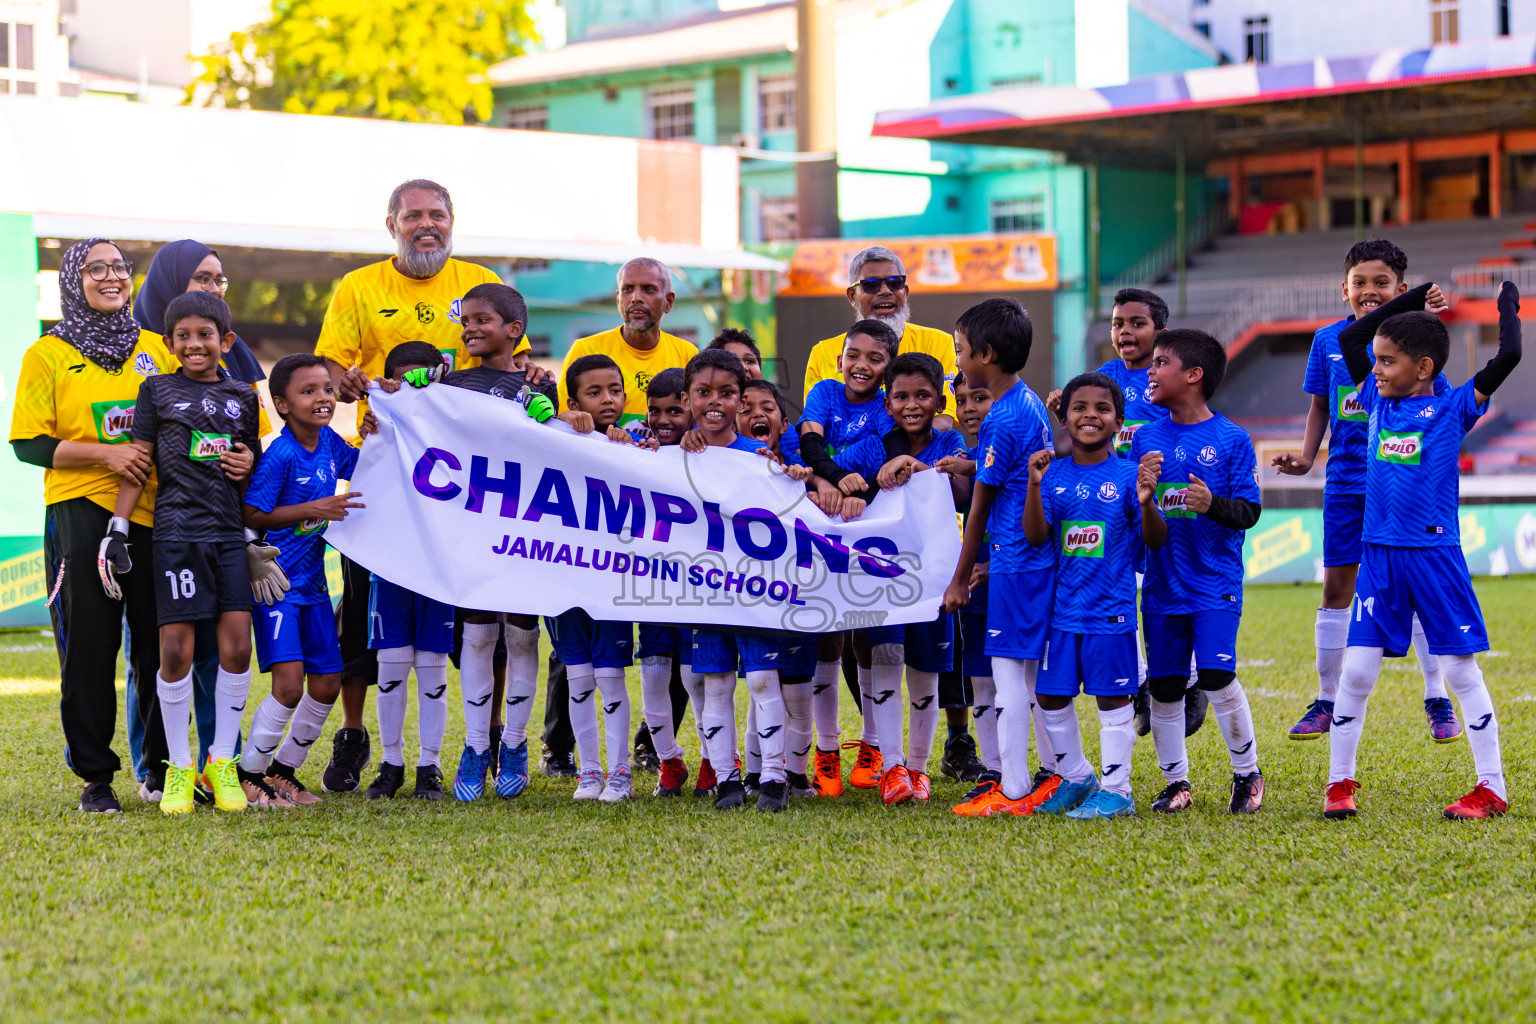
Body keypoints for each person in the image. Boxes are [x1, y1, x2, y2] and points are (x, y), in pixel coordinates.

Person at [314, 178, 508, 793]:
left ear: (454, 220)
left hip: (465, 483)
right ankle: (354, 735)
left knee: (484, 610)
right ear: (391, 224)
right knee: (362, 611)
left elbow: (510, 364)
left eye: (438, 214)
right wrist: (353, 387)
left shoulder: (478, 280)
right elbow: (330, 369)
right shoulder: (359, 286)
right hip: (384, 473)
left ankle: (492, 737)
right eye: (413, 216)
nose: (427, 225)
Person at [1325, 282, 1521, 820]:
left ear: (1425, 367)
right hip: (1379, 559)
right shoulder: (1375, 402)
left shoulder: (1456, 406)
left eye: (1389, 362)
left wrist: (1507, 304)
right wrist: (1409, 300)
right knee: (1358, 672)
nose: (1377, 369)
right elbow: (1354, 338)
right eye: (1378, 362)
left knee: (1460, 672)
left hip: (1435, 558)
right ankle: (1339, 783)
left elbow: (1511, 354)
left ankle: (1493, 788)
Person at [10, 238, 179, 813]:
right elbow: (28, 444)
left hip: (157, 514)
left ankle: (160, 772)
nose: (111, 277)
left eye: (119, 267)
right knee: (88, 648)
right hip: (80, 513)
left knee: (161, 646)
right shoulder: (48, 354)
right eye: (95, 268)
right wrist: (105, 456)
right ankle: (96, 778)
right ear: (72, 280)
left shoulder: (160, 348)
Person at [1272, 240, 1460, 744]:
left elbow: (1439, 410)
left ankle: (1436, 695)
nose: (1369, 291)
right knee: (1337, 589)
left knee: (1417, 592)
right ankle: (1326, 700)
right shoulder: (1327, 341)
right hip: (1346, 486)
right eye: (1360, 282)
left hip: (1400, 489)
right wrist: (1309, 457)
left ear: (1401, 290)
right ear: (1345, 289)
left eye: (1381, 283)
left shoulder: (1419, 340)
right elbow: (1319, 406)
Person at [106, 291, 267, 815]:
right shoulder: (155, 390)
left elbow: (252, 469)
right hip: (174, 536)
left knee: (237, 649)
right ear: (170, 343)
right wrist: (117, 529)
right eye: (183, 336)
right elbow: (139, 463)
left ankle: (220, 762)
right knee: (175, 651)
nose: (194, 344)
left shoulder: (244, 395)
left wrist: (246, 480)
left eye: (205, 335)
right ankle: (177, 766)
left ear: (227, 341)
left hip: (225, 537)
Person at [547, 257, 697, 776]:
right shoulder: (587, 351)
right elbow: (558, 418)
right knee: (577, 631)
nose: (637, 297)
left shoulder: (688, 355)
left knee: (666, 635)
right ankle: (558, 744)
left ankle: (652, 747)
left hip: (658, 525)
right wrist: (572, 418)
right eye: (627, 288)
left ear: (667, 302)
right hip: (594, 522)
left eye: (649, 289)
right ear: (617, 298)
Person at [1130, 329, 1266, 815]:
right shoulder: (1144, 437)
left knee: (1215, 674)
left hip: (1214, 585)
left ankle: (1247, 774)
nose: (1151, 368)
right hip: (1162, 586)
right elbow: (1140, 517)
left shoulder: (1232, 439)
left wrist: (1211, 505)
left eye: (1161, 361)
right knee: (1164, 687)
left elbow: (1249, 512)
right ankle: (1176, 783)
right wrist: (1143, 498)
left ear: (1193, 375)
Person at [1022, 372, 1165, 819]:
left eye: (1102, 409)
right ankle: (1079, 777)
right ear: (1064, 418)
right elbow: (1035, 536)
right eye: (1080, 408)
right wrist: (1032, 484)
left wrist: (1145, 502)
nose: (1090, 416)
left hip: (1110, 613)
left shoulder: (1128, 475)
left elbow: (1156, 541)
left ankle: (1118, 790)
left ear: (1119, 422)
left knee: (1111, 699)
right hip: (1062, 612)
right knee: (1049, 696)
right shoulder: (1051, 473)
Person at [833, 352, 970, 806]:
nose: (912, 405)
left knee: (926, 675)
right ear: (887, 404)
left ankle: (919, 767)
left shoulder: (952, 447)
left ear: (939, 400)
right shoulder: (873, 444)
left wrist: (923, 469)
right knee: (887, 661)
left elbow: (970, 493)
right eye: (901, 397)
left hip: (935, 580)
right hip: (883, 579)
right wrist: (867, 481)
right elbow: (829, 476)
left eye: (923, 396)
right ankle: (891, 766)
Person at [941, 299, 1060, 818]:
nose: (958, 359)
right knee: (1028, 677)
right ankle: (1053, 777)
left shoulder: (1000, 416)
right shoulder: (1026, 400)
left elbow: (982, 504)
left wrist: (959, 578)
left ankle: (1013, 788)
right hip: (1036, 559)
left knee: (1008, 675)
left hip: (1013, 559)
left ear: (985, 354)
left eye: (961, 349)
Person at [240, 354, 363, 806]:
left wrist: (380, 428)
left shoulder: (330, 442)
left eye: (327, 389)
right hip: (277, 585)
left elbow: (366, 463)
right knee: (289, 686)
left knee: (328, 682)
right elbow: (251, 512)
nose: (323, 399)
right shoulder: (281, 454)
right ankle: (247, 772)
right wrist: (316, 509)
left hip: (314, 587)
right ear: (282, 405)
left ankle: (283, 771)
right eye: (308, 391)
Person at [681, 348, 791, 811]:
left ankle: (773, 777)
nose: (714, 402)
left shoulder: (760, 458)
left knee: (764, 679)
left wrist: (793, 476)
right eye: (703, 392)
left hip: (755, 590)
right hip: (703, 592)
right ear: (688, 399)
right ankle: (726, 780)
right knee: (716, 684)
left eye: (726, 394)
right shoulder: (671, 455)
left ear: (741, 401)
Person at [797, 319, 900, 795]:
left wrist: (866, 489)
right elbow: (809, 446)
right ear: (840, 359)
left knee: (865, 630)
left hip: (867, 525)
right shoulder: (823, 391)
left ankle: (873, 746)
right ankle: (827, 751)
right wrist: (833, 481)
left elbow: (889, 458)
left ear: (888, 367)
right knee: (826, 631)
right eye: (854, 355)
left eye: (875, 359)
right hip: (821, 519)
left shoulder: (886, 409)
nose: (862, 366)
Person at [359, 342, 463, 802]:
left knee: (433, 669)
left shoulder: (457, 430)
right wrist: (370, 432)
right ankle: (391, 762)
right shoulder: (377, 427)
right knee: (391, 666)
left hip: (436, 565)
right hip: (390, 564)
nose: (410, 390)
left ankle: (429, 765)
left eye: (421, 380)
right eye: (399, 382)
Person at [548, 353, 642, 802]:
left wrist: (631, 447)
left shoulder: (637, 439)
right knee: (578, 674)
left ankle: (620, 771)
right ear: (572, 400)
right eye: (594, 392)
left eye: (615, 390)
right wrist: (560, 419)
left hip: (613, 577)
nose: (608, 400)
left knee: (610, 673)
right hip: (563, 575)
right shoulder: (551, 434)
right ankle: (589, 771)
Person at [636, 368, 709, 798]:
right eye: (655, 411)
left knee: (696, 680)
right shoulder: (635, 441)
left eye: (675, 411)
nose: (664, 420)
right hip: (650, 588)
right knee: (652, 677)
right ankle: (669, 759)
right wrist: (624, 442)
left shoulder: (706, 449)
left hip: (696, 587)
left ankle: (712, 759)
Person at [934, 370, 1000, 798]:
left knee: (1031, 684)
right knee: (981, 678)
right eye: (963, 401)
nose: (970, 408)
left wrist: (995, 566)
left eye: (981, 397)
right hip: (976, 585)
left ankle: (1055, 769)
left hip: (1016, 584)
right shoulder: (964, 458)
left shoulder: (1025, 451)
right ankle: (994, 771)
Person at [800, 246, 958, 407]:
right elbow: (814, 422)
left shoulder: (938, 343)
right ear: (852, 296)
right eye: (871, 284)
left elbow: (945, 417)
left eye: (894, 282)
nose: (885, 291)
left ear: (906, 291)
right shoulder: (823, 354)